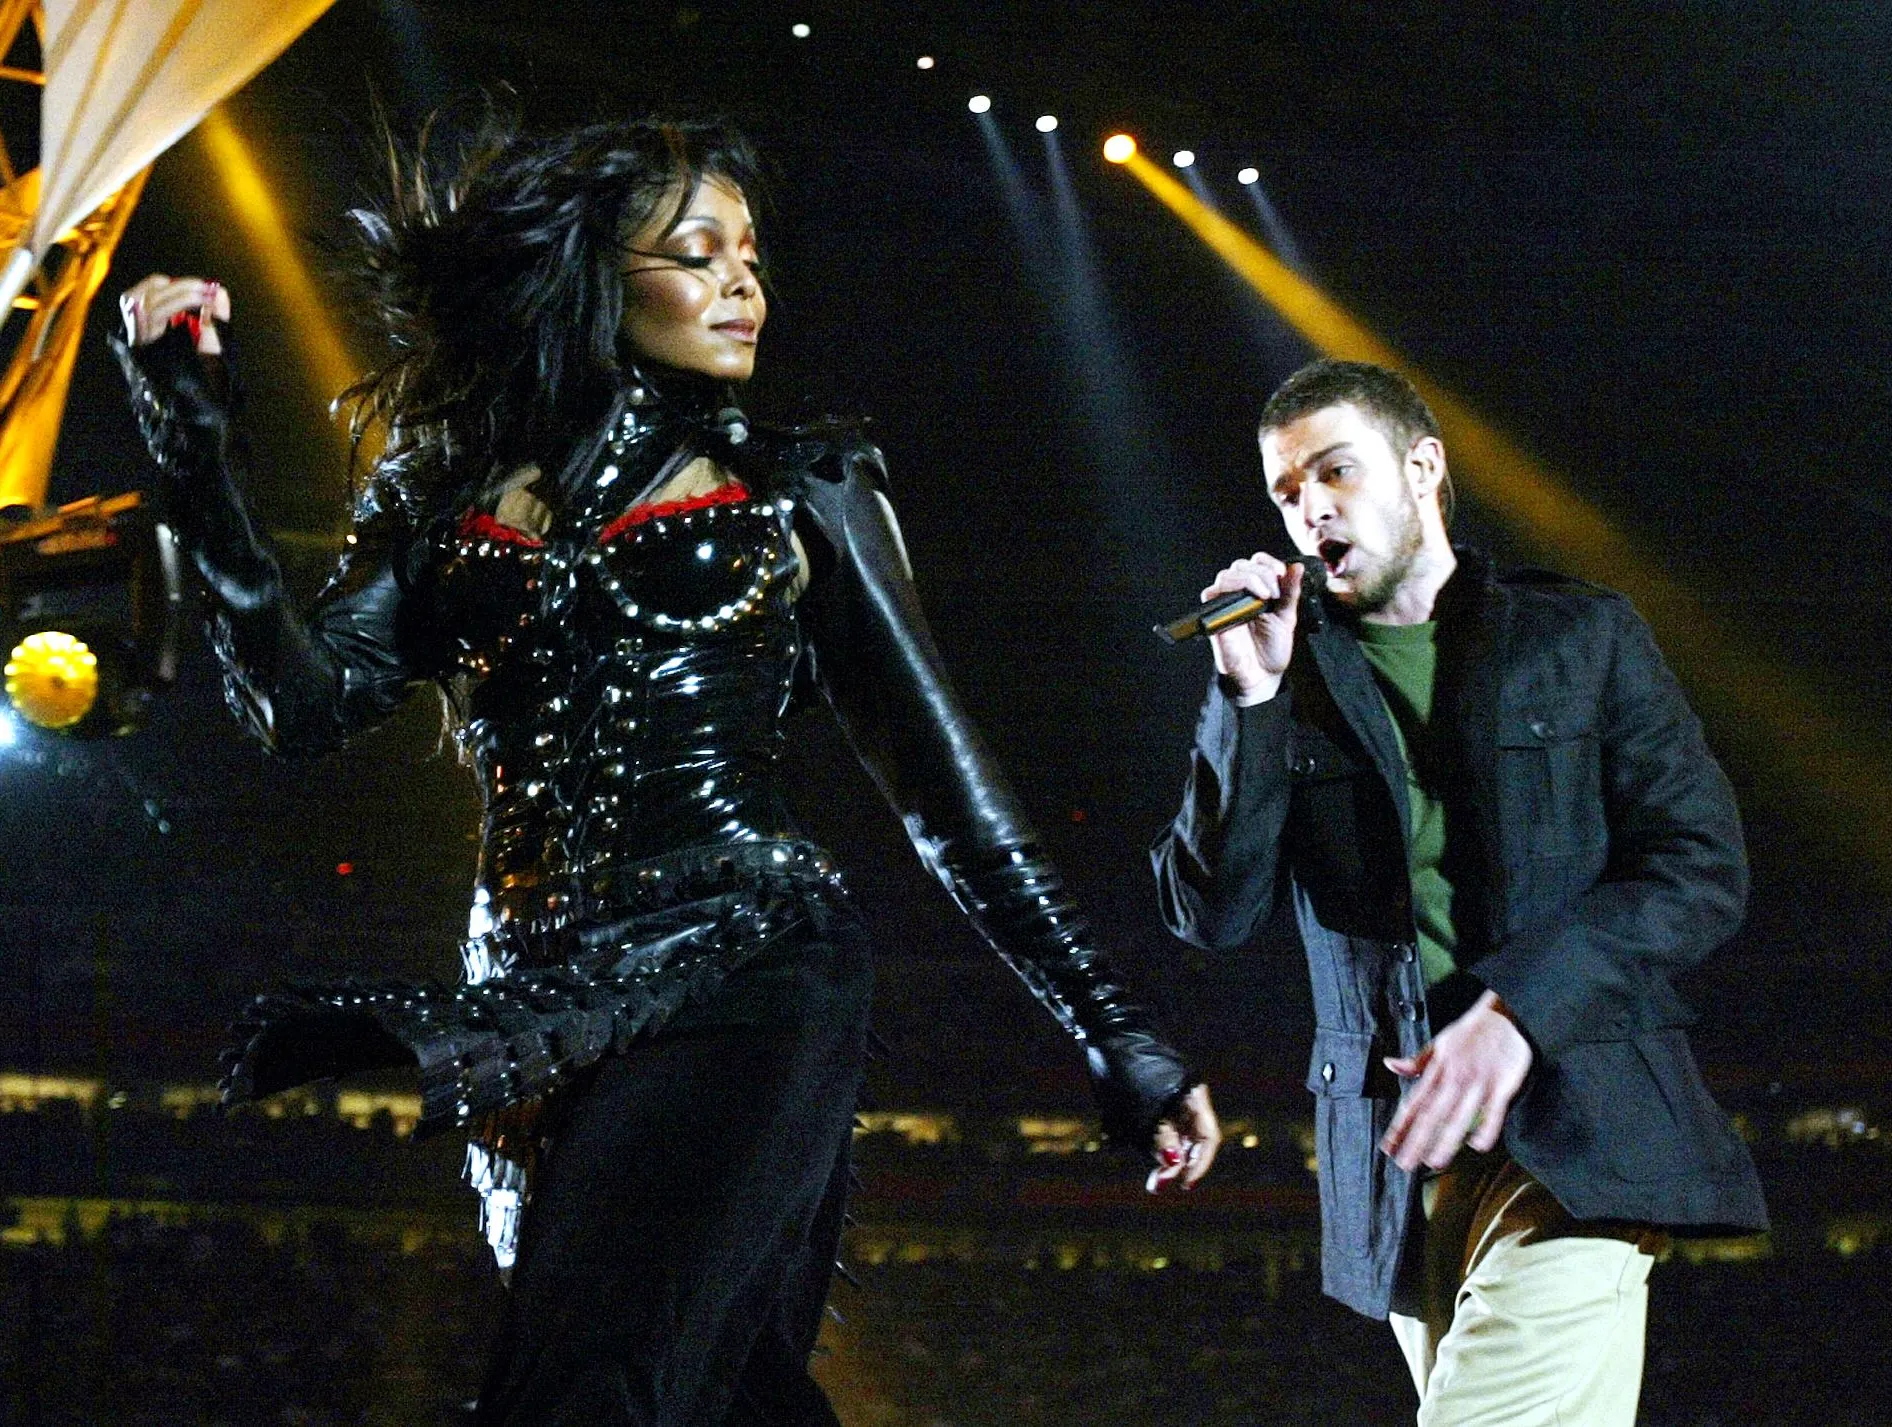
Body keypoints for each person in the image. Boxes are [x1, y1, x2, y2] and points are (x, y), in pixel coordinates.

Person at [115, 114, 1219, 1426]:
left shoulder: (799, 490)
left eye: (749, 256)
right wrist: (197, 448)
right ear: (590, 275)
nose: (744, 284)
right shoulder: (443, 492)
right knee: (723, 1390)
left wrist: (1112, 1031)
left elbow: (950, 793)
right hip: (528, 996)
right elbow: (297, 708)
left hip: (744, 965)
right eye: (699, 254)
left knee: (583, 1381)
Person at [1152, 359, 1765, 1425]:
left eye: (1335, 470)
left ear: (1423, 466)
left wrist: (1521, 1007)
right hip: (1403, 1158)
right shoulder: (1284, 677)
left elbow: (1699, 866)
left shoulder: (1580, 636)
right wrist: (1244, 701)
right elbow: (1210, 912)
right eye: (1286, 492)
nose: (1309, 509)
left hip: (1578, 1133)